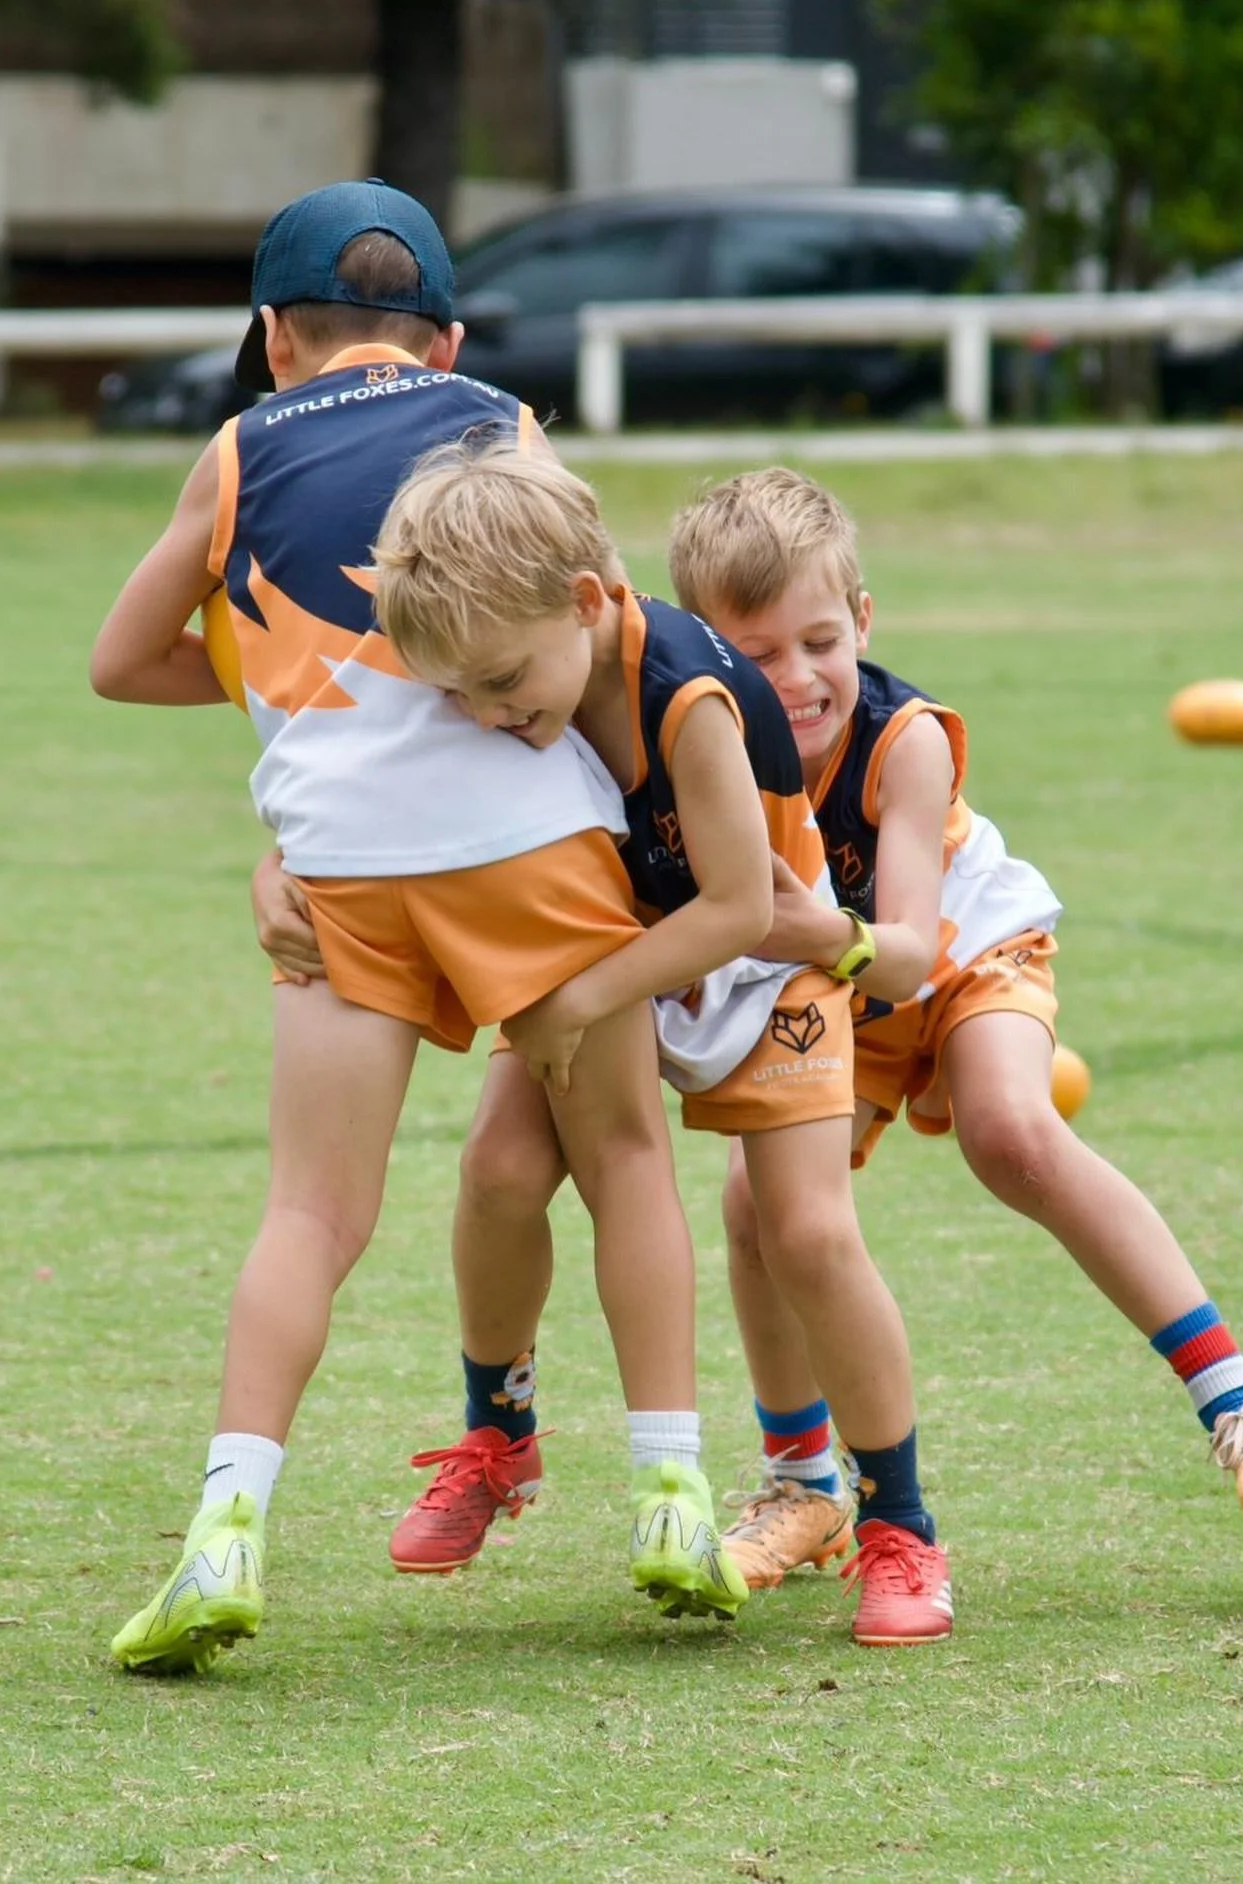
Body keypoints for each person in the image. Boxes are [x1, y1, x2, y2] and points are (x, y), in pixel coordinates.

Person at [91, 179, 745, 1677]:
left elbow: (122, 663)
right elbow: (603, 628)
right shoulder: (500, 423)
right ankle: (671, 1498)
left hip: (338, 875)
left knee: (309, 1217)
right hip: (532, 853)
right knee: (624, 1163)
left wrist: (281, 695)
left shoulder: (237, 449)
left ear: (274, 339)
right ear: (446, 340)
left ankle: (224, 1530)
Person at [662, 467, 1243, 1588]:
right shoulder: (702, 746)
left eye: (820, 642)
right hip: (833, 991)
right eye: (759, 653)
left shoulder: (905, 742)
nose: (798, 678)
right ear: (708, 653)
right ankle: (803, 1485)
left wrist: (789, 925)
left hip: (957, 954)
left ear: (862, 619)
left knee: (1011, 1131)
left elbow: (907, 950)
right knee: (755, 1209)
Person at [362, 442, 954, 1647]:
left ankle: (899, 1526)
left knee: (806, 1234)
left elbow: (738, 910)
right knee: (499, 1172)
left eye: (499, 685)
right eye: (458, 695)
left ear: (588, 603)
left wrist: (577, 1002)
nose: (485, 715)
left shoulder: (687, 698)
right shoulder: (504, 654)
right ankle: (499, 1432)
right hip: (613, 957)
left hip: (760, 969)